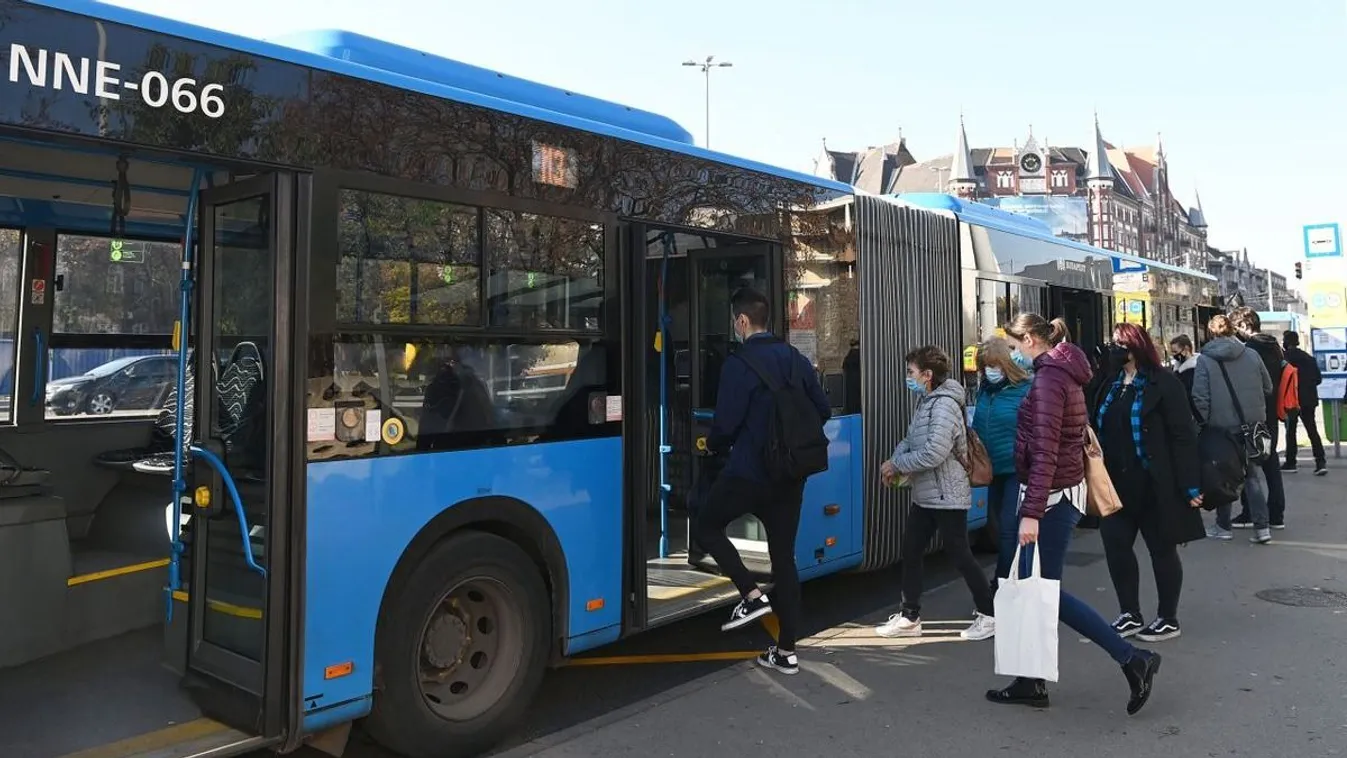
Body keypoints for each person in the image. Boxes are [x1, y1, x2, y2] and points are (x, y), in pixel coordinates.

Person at [986, 313, 1161, 716]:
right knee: (1033, 591)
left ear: (1030, 340)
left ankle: (1133, 658)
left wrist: (1030, 513)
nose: (1014, 355)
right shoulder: (1065, 370)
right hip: (1059, 495)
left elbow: (1045, 451)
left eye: (1014, 347)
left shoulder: (1049, 379)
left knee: (1042, 591)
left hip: (1049, 499)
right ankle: (1031, 681)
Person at [696, 288, 831, 676]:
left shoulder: (738, 364)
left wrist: (714, 445)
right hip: (789, 475)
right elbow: (821, 408)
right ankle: (786, 651)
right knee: (783, 558)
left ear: (741, 322)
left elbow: (725, 425)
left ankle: (751, 595)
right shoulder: (795, 359)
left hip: (749, 472)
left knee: (707, 525)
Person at [1090, 323, 1205, 643]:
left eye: (1117, 344)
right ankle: (1130, 612)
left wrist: (1190, 485)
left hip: (1155, 484)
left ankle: (1168, 617)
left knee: (1161, 550)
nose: (1112, 349)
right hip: (1115, 484)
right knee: (1116, 548)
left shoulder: (1164, 383)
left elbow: (1183, 436)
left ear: (1135, 347)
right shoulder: (1111, 384)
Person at [875, 346, 996, 642]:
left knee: (960, 555)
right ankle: (910, 616)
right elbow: (911, 438)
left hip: (946, 494)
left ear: (927, 375)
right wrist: (895, 459)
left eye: (911, 372)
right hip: (927, 494)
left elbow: (934, 452)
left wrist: (897, 464)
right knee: (912, 550)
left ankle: (989, 614)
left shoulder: (943, 405)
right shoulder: (926, 401)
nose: (908, 378)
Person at [1192, 314, 1274, 544]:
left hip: (1221, 428)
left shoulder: (1205, 360)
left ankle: (1223, 526)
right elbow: (1268, 387)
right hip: (1252, 426)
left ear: (1210, 333)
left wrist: (1203, 423)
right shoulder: (1252, 354)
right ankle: (1262, 528)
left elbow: (1200, 397)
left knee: (1224, 476)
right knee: (1252, 477)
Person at [970, 337, 1033, 593]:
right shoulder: (985, 390)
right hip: (992, 470)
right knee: (998, 527)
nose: (988, 372)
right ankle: (1016, 580)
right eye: (984, 367)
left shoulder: (1025, 389)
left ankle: (1002, 584)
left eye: (992, 366)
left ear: (1005, 364)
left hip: (1016, 470)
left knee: (1008, 528)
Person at [1226, 308, 1287, 531]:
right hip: (1271, 413)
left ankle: (1250, 512)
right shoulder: (1274, 347)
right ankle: (1277, 514)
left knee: (1249, 466)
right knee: (1271, 466)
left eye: (1236, 328)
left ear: (1245, 325)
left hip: (1254, 414)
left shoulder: (1250, 350)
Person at [1282, 330, 1327, 476]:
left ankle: (1291, 462)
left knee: (1291, 432)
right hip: (1309, 400)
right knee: (1312, 431)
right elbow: (1318, 379)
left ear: (1286, 342)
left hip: (1292, 400)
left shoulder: (1284, 359)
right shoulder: (1309, 358)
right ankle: (1320, 462)